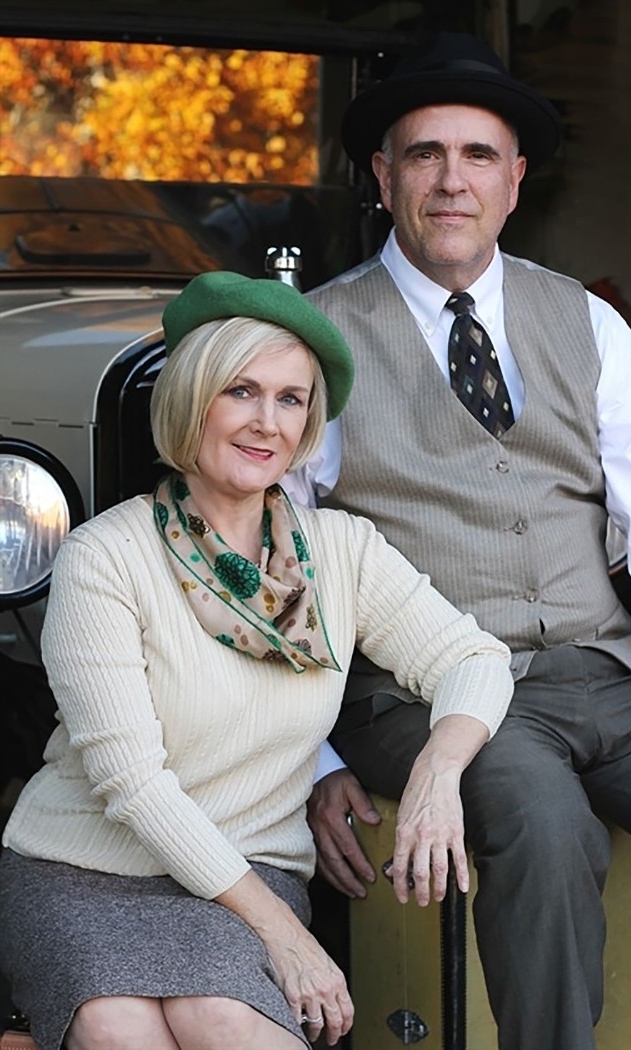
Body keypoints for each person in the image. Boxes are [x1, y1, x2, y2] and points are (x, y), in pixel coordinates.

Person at [287, 31, 631, 1050]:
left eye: (477, 156)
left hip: (606, 672)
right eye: (423, 154)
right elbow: (273, 571)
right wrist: (313, 759)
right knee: (544, 829)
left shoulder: (587, 324)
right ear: (382, 180)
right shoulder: (314, 339)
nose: (450, 180)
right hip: (423, 691)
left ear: (513, 181)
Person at [0, 270, 514, 1050]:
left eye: (290, 398)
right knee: (116, 1029)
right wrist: (288, 937)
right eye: (240, 391)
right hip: (81, 872)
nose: (265, 423)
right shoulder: (103, 557)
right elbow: (134, 785)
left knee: (223, 1020)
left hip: (247, 870)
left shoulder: (341, 552)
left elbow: (474, 657)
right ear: (191, 399)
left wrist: (440, 770)